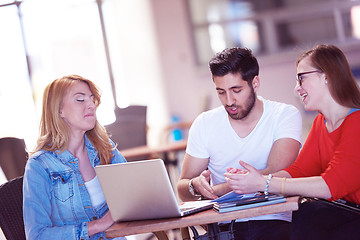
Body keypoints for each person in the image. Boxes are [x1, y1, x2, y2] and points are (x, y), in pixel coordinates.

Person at [224, 44, 360, 239]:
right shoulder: (322, 122)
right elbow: (300, 170)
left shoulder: (357, 123)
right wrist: (252, 179)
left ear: (326, 76)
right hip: (346, 214)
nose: (297, 88)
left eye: (301, 78)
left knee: (309, 215)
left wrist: (264, 183)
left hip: (353, 216)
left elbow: (329, 185)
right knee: (306, 214)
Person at [177, 47, 303, 240]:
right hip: (224, 227)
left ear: (255, 83)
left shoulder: (284, 116)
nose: (229, 101)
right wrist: (195, 185)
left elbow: (277, 175)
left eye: (236, 90)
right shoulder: (204, 123)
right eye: (221, 92)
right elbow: (183, 188)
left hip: (273, 220)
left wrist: (219, 190)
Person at [23, 75, 127, 240]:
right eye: (80, 99)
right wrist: (97, 226)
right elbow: (36, 235)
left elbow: (132, 197)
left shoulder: (105, 148)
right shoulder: (39, 165)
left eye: (92, 99)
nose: (91, 105)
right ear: (59, 110)